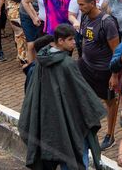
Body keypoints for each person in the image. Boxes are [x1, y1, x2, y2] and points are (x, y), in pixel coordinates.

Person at [18, 23, 106, 170]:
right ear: (60, 41)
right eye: (71, 39)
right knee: (75, 160)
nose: (74, 42)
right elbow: (83, 97)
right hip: (71, 125)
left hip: (48, 125)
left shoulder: (41, 61)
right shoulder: (67, 64)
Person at [76, 0, 121, 150]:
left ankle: (110, 135)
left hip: (104, 70)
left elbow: (116, 51)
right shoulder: (85, 17)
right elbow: (84, 40)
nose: (79, 8)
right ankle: (86, 128)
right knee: (81, 96)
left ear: (92, 3)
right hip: (86, 66)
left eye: (82, 5)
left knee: (110, 102)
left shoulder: (107, 23)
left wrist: (114, 75)